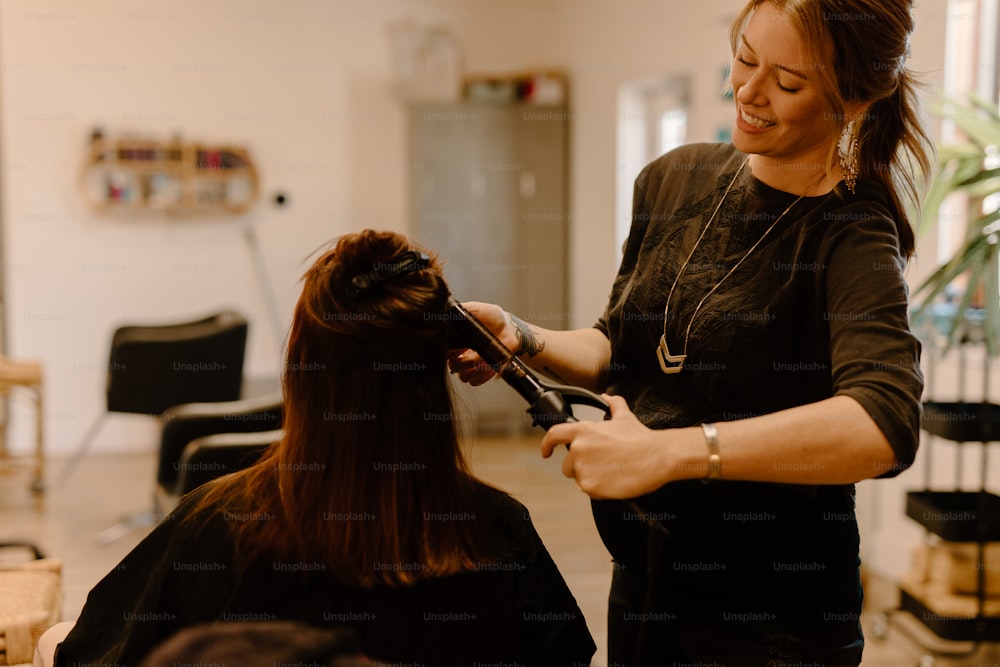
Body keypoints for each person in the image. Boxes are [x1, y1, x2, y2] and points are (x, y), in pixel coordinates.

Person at [448, 1, 931, 665]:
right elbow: (619, 347)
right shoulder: (674, 180)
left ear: (852, 101)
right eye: (743, 58)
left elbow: (884, 423)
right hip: (644, 586)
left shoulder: (849, 233)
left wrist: (670, 453)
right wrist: (521, 336)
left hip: (770, 625)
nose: (749, 91)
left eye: (788, 83)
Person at [52, 229, 596, 667]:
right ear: (436, 374)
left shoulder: (219, 527)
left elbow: (95, 653)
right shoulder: (500, 531)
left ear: (305, 372)